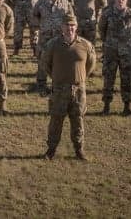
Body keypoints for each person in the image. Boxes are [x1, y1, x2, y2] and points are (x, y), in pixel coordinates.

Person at [41, 14, 96, 160]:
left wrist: (80, 77)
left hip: (78, 90)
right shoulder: (53, 44)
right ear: (62, 27)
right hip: (59, 89)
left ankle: (79, 150)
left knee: (78, 120)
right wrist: (57, 77)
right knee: (56, 120)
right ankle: (51, 150)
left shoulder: (85, 45)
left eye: (72, 25)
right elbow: (45, 63)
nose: (69, 28)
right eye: (67, 25)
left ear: (76, 27)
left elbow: (90, 65)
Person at [98, 0, 131, 116]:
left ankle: (127, 107)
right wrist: (107, 42)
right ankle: (106, 106)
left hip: (126, 53)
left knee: (127, 79)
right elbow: (101, 29)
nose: (121, 0)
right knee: (108, 78)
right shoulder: (107, 13)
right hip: (110, 52)